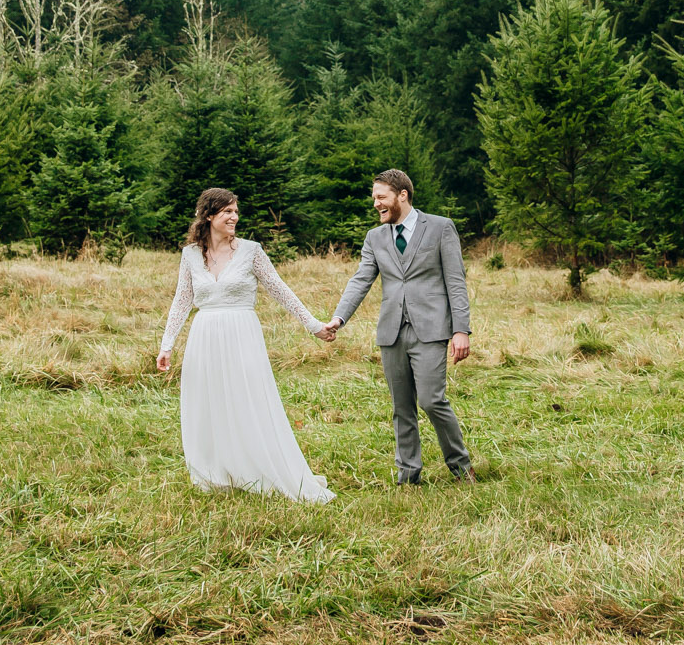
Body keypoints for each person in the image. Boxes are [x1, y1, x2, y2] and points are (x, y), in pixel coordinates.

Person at [157, 187, 334, 502]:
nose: (234, 217)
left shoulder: (251, 251)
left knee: (247, 398)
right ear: (209, 215)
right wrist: (167, 344)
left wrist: (313, 326)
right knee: (209, 403)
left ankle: (259, 466)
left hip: (242, 334)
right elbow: (181, 301)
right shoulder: (190, 255)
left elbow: (280, 290)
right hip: (205, 336)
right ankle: (217, 471)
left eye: (236, 212)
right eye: (227, 212)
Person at [319, 169, 475, 484]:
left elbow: (456, 283)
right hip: (391, 332)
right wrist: (338, 318)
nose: (376, 204)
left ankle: (461, 467)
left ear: (401, 195)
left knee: (432, 400)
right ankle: (408, 474)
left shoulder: (441, 228)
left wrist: (461, 330)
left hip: (431, 330)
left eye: (381, 197)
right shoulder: (375, 237)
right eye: (374, 198)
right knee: (401, 406)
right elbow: (361, 279)